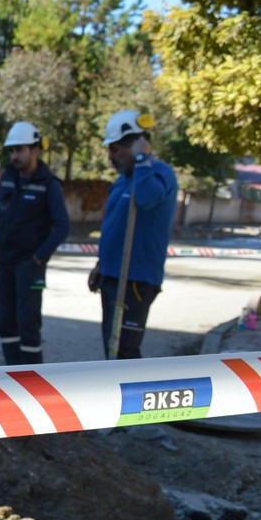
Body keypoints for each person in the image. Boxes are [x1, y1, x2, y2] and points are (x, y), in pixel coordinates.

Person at [87, 110, 179, 359]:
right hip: (113, 276)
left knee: (125, 350)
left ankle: (131, 397)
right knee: (112, 346)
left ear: (138, 144)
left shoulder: (159, 173)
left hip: (136, 280)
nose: (111, 156)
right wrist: (101, 264)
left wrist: (142, 158)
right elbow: (113, 225)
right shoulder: (124, 179)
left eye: (116, 149)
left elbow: (148, 198)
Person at [0, 121, 70, 364]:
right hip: (4, 263)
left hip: (29, 266)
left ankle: (34, 382)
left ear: (35, 151)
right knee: (6, 323)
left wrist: (38, 257)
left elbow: (62, 226)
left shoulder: (49, 185)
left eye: (20, 150)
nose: (15, 155)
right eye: (12, 150)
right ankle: (12, 375)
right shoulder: (7, 177)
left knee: (28, 326)